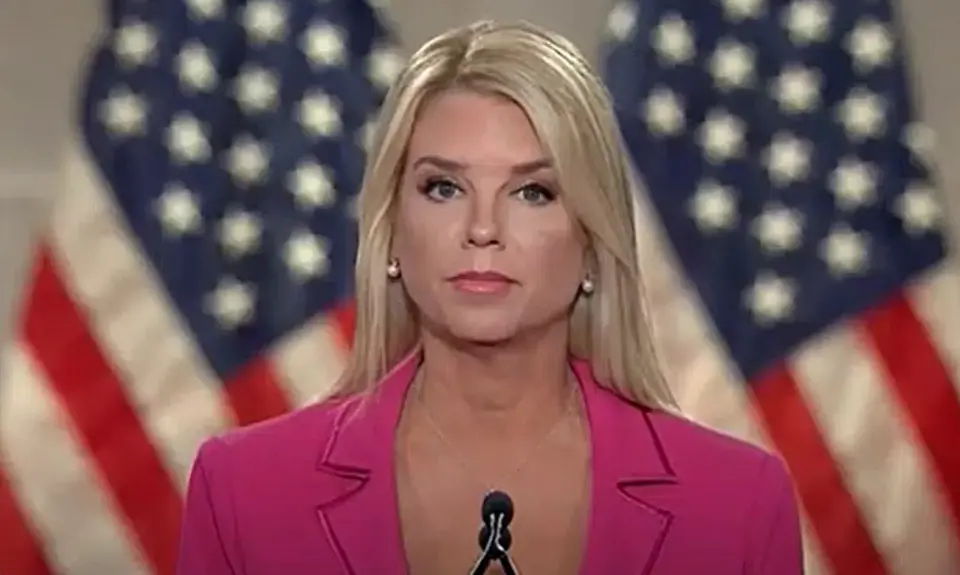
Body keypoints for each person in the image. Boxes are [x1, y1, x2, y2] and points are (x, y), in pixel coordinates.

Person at [175, 20, 803, 575]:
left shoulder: (737, 505)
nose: (482, 229)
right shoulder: (243, 493)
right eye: (443, 187)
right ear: (391, 232)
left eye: (532, 192)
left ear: (592, 240)